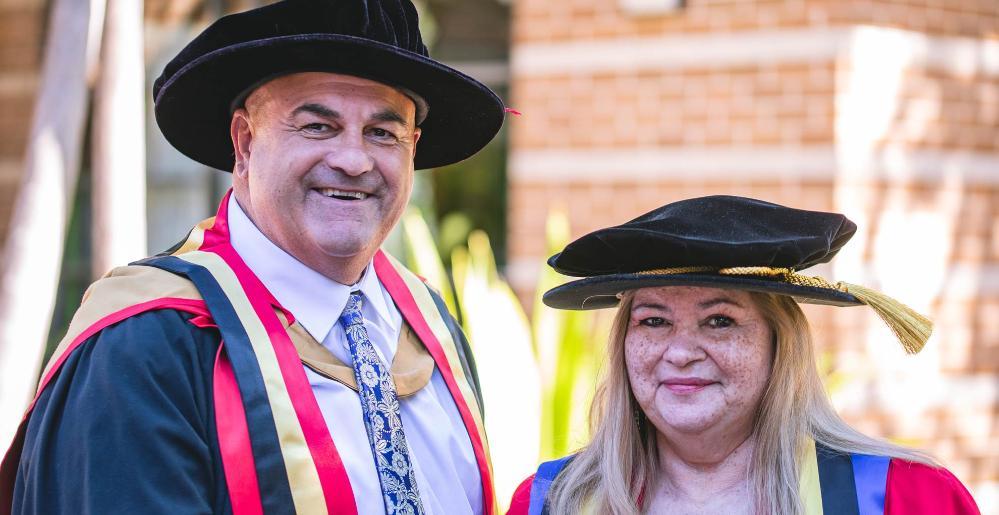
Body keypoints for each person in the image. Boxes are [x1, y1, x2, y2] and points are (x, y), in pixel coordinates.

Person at [1, 1, 507, 514]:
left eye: (383, 133)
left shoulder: (428, 323)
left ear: (413, 148)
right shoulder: (146, 347)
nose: (354, 161)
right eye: (317, 126)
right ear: (244, 143)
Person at [508, 195, 980, 515]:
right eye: (653, 320)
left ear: (780, 345)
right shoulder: (551, 502)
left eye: (720, 321)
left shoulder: (904, 497)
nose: (681, 353)